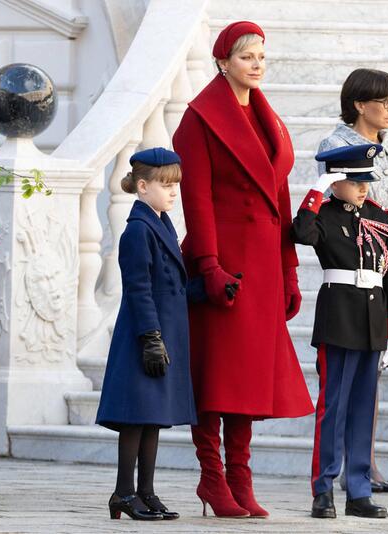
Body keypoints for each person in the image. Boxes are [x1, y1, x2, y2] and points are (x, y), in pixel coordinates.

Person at [172, 20, 314, 518]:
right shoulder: (199, 119)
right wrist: (208, 265)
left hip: (265, 264)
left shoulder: (267, 118)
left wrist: (290, 270)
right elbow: (198, 199)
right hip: (225, 263)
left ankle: (240, 478)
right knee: (217, 376)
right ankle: (212, 478)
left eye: (260, 57)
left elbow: (280, 198)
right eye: (246, 57)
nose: (256, 65)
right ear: (222, 62)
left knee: (250, 378)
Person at [317, 68, 388, 493]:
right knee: (345, 378)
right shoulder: (336, 146)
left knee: (374, 370)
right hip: (353, 276)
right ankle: (339, 467)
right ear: (360, 104)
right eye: (384, 102)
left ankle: (365, 461)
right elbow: (329, 209)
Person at [293, 144, 388, 520]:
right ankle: (323, 489)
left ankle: (358, 490)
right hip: (338, 318)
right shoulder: (321, 214)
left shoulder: (381, 218)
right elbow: (301, 234)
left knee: (362, 409)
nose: (363, 188)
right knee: (333, 408)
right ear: (336, 181)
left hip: (372, 321)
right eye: (354, 180)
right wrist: (317, 189)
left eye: (365, 180)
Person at [95, 147, 197, 521]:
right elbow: (138, 288)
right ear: (142, 186)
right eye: (165, 185)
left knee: (152, 417)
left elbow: (172, 282)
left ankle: (146, 491)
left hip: (163, 333)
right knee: (135, 418)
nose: (173, 192)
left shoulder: (162, 223)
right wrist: (150, 338)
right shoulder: (138, 230)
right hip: (144, 334)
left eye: (176, 186)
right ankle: (123, 493)